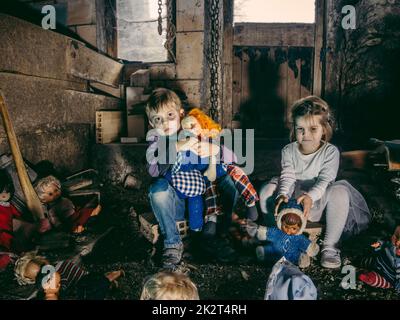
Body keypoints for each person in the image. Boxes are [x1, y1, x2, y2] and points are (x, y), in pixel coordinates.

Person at [258, 95, 371, 269]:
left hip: (318, 198)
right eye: (300, 129)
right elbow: (287, 176)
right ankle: (279, 239)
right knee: (266, 190)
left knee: (340, 192)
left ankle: (330, 246)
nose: (306, 135)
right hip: (293, 199)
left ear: (324, 130)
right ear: (294, 129)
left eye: (313, 129)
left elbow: (326, 179)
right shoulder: (289, 150)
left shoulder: (330, 151)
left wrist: (310, 196)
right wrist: (282, 194)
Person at [145, 88, 239, 270]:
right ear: (151, 123)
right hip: (178, 204)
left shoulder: (196, 130)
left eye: (170, 115)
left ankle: (219, 235)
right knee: (157, 189)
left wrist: (215, 150)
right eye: (158, 119)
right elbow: (153, 169)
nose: (165, 122)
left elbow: (233, 159)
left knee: (231, 178)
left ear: (181, 114)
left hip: (206, 201)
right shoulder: (156, 141)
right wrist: (176, 147)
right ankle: (172, 243)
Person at [14, 251, 124, 300]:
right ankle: (110, 279)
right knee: (100, 282)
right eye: (39, 275)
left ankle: (111, 278)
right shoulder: (58, 270)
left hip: (86, 285)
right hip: (87, 283)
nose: (46, 273)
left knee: (99, 283)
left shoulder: (59, 273)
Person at [246, 199, 319, 268]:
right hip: (274, 252)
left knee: (299, 258)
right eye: (286, 226)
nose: (288, 231)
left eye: (294, 228)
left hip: (292, 255)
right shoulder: (277, 231)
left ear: (300, 226)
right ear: (280, 222)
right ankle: (264, 253)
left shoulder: (299, 237)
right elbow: (267, 232)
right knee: (268, 252)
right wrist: (257, 230)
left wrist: (311, 248)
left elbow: (306, 244)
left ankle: (300, 260)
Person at [34, 175, 101, 234]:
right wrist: (59, 226)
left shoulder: (62, 199)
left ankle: (91, 213)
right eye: (50, 194)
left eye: (56, 190)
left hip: (74, 213)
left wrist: (75, 207)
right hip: (68, 219)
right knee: (75, 222)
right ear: (44, 199)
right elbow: (54, 219)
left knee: (82, 211)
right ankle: (80, 226)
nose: (55, 194)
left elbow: (70, 204)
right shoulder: (52, 209)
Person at [357, 225, 400, 292]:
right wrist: (379, 244)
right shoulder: (393, 245)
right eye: (397, 238)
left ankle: (368, 277)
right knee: (365, 261)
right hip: (378, 261)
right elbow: (386, 243)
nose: (397, 243)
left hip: (387, 276)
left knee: (377, 280)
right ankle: (360, 262)